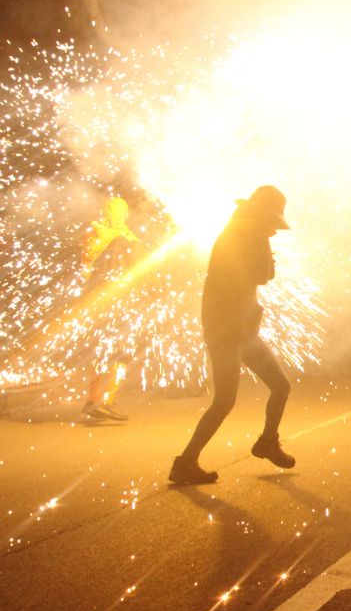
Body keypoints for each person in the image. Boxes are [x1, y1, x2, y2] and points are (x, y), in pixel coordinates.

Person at [169, 186, 296, 485]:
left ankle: (267, 441)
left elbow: (261, 276)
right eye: (271, 223)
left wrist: (263, 239)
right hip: (227, 334)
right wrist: (265, 244)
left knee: (281, 386)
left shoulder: (244, 235)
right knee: (225, 401)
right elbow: (263, 275)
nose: (273, 229)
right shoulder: (239, 239)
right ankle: (185, 462)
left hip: (243, 332)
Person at [80, 196, 141, 421]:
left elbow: (87, 266)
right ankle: (97, 401)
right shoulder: (120, 238)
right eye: (123, 211)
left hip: (96, 300)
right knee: (113, 353)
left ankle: (99, 399)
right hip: (113, 302)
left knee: (105, 351)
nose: (126, 215)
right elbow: (127, 268)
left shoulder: (96, 234)